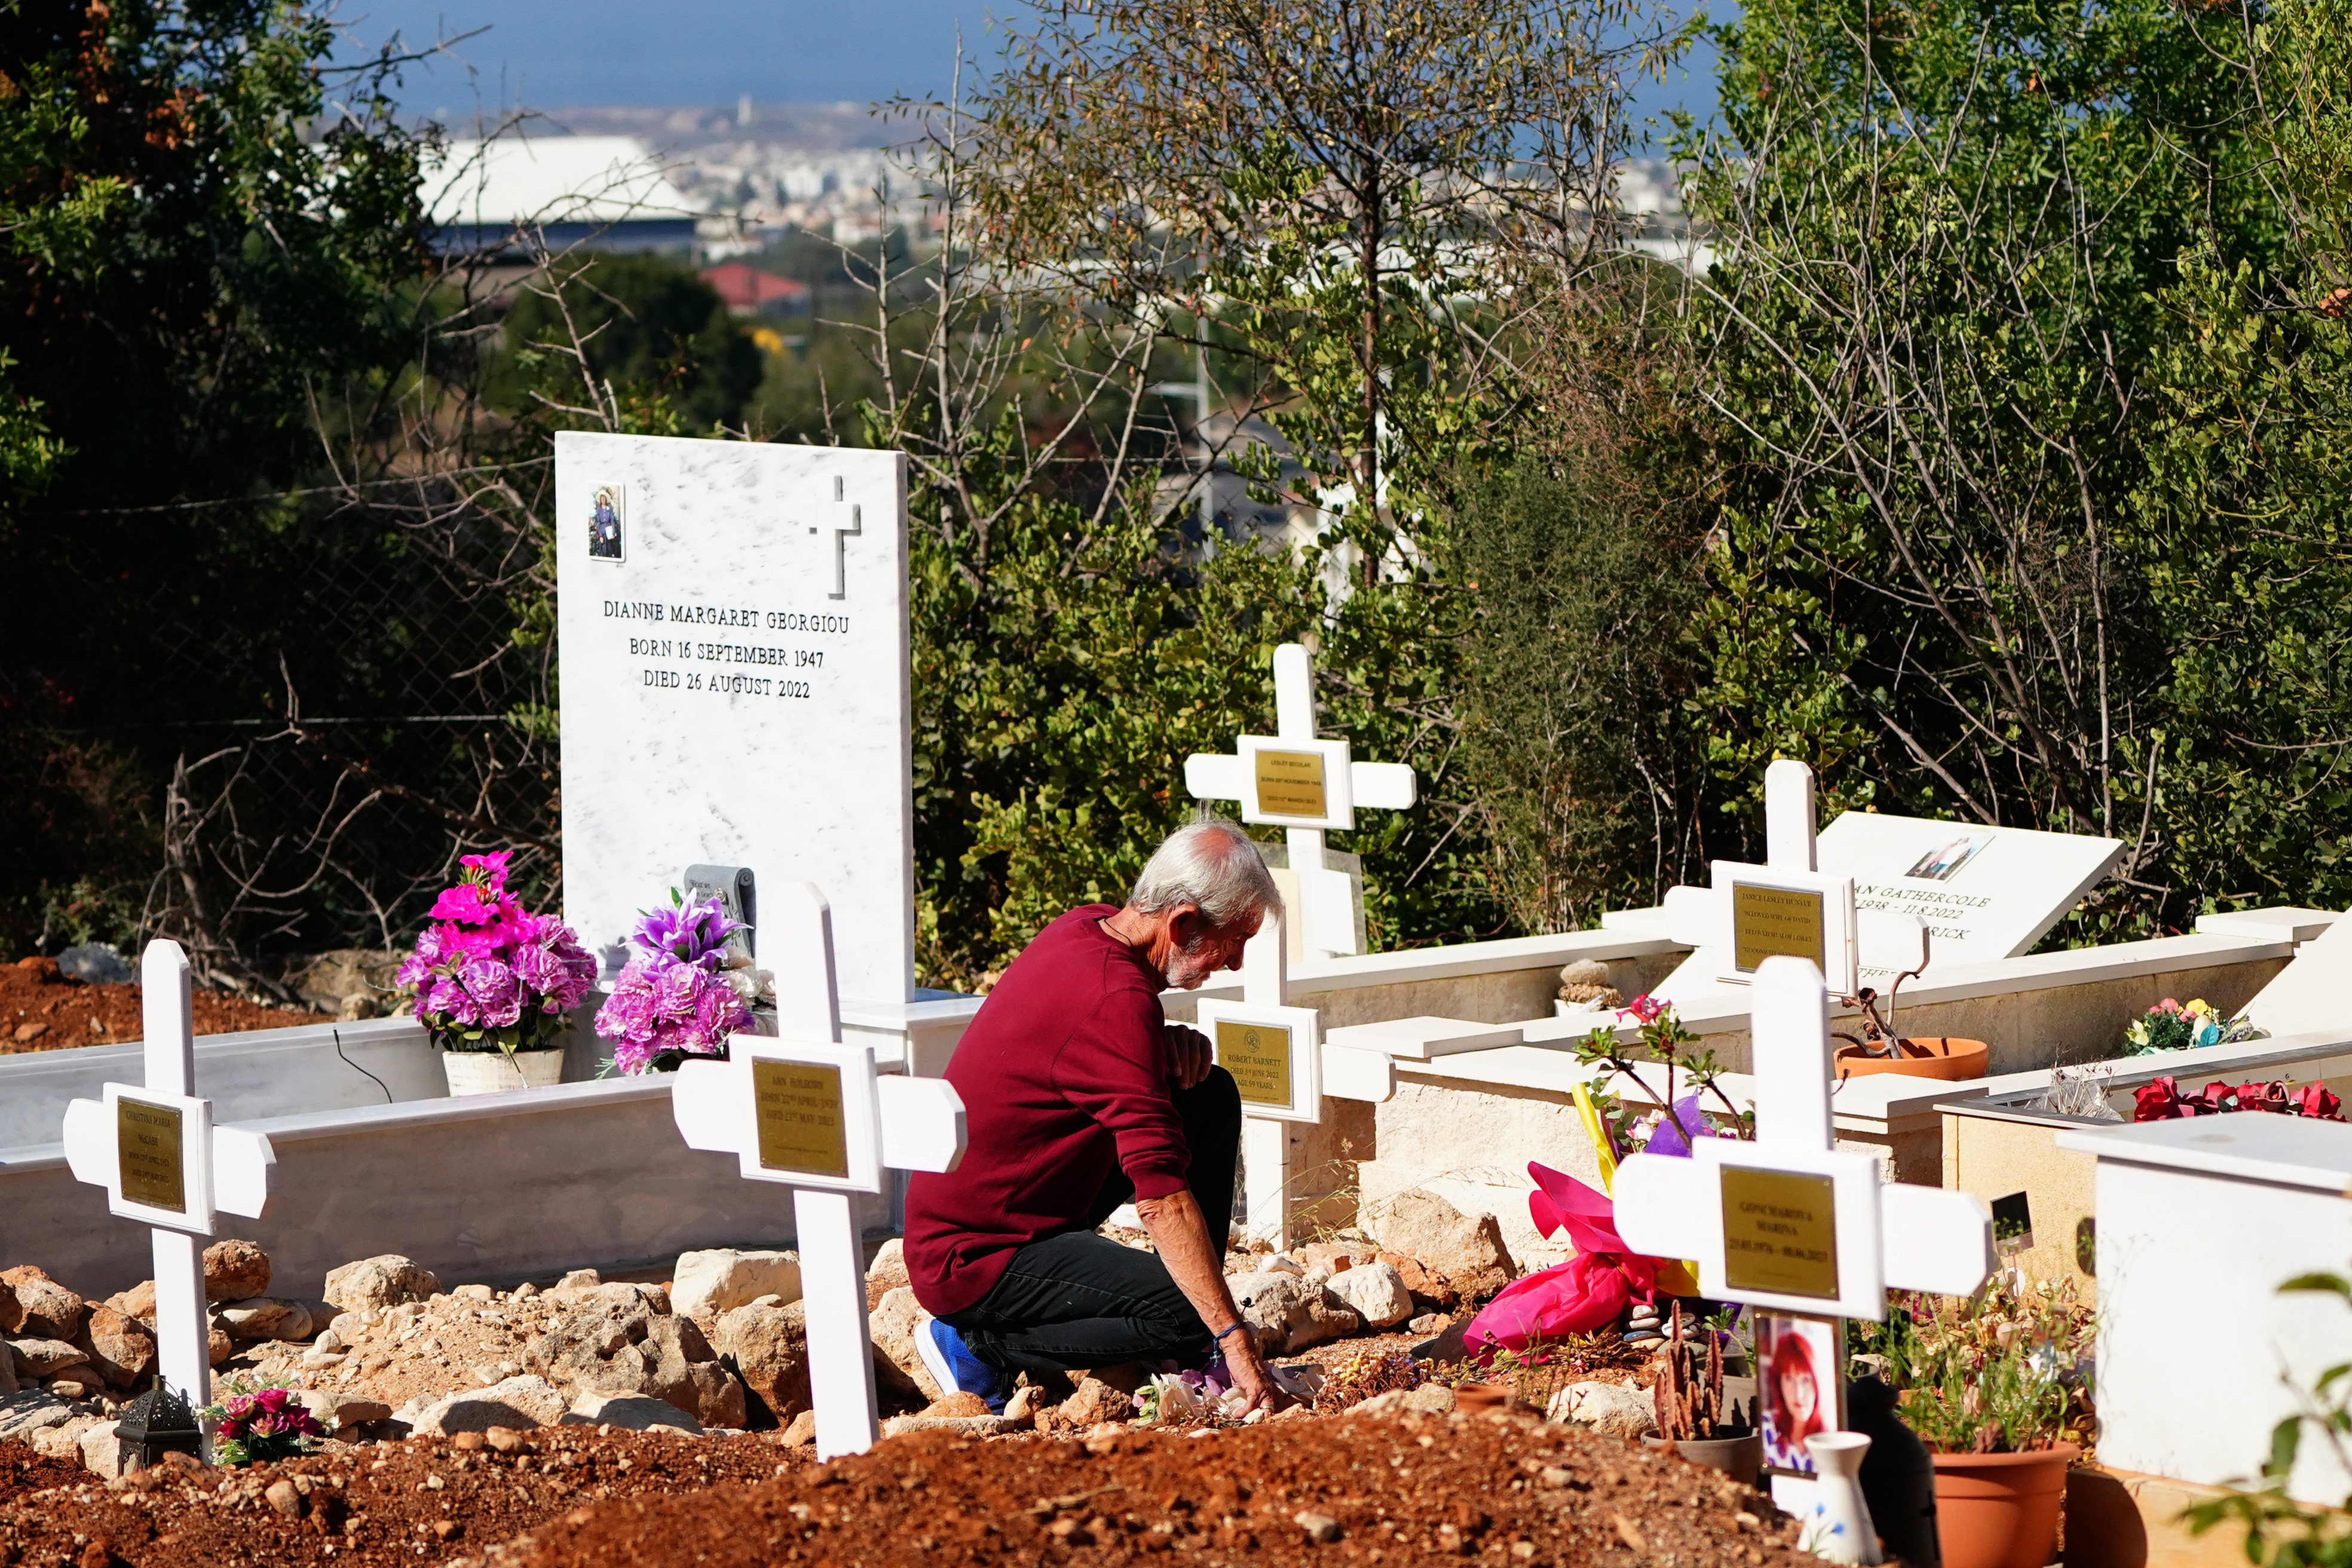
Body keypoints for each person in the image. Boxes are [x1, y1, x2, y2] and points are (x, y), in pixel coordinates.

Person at [904, 817, 1287, 1415]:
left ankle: (1180, 1327)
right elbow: (1159, 1198)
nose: (1235, 962)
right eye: (1233, 939)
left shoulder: (1088, 926)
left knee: (1207, 1094)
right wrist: (1230, 1333)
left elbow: (1078, 1052)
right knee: (1201, 1314)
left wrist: (1158, 1046)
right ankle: (976, 1341)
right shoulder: (1114, 998)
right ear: (1183, 922)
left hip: (1028, 1210)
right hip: (975, 1257)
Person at [1762, 1318, 1831, 1469]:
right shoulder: (1767, 1428)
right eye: (1789, 1379)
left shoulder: (1831, 1442)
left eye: (1806, 1380)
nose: (1799, 1393)